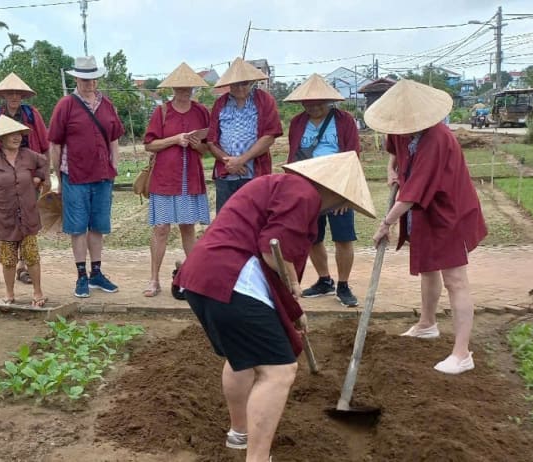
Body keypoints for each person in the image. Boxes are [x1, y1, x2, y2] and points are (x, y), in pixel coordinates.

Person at [175, 152, 376, 462]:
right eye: (345, 200)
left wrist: (293, 309)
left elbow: (276, 254)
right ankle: (258, 458)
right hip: (233, 278)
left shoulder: (285, 188)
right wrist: (293, 295)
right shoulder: (302, 194)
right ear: (334, 190)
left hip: (203, 277)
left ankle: (240, 434)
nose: (342, 208)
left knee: (241, 358)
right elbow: (274, 251)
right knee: (279, 370)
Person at [367, 79, 488, 375]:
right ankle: (427, 324)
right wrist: (392, 168)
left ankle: (462, 354)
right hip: (424, 212)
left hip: (450, 211)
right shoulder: (400, 127)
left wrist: (386, 223)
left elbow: (413, 192)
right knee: (428, 268)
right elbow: (394, 151)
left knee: (455, 279)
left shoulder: (437, 138)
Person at [48, 56, 125, 298]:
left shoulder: (107, 105)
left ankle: (97, 273)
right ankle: (81, 276)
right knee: (77, 227)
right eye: (84, 79)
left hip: (102, 177)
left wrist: (114, 166)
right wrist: (57, 177)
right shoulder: (66, 105)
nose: (89, 83)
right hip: (75, 175)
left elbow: (114, 139)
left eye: (92, 79)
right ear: (77, 79)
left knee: (98, 226)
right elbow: (55, 143)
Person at [284, 74, 363, 307]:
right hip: (307, 185)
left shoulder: (344, 120)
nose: (315, 107)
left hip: (338, 185)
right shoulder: (298, 123)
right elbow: (294, 154)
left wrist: (346, 193)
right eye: (309, 104)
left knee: (343, 237)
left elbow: (353, 155)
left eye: (319, 103)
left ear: (329, 102)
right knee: (312, 237)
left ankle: (343, 284)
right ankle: (324, 279)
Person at [141, 62, 212, 299]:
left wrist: (196, 144)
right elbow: (150, 144)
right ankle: (153, 279)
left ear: (193, 88)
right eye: (180, 87)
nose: (184, 91)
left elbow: (207, 149)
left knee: (187, 227)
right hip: (164, 177)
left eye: (188, 87)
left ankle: (192, 279)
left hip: (189, 177)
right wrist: (175, 139)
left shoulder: (201, 111)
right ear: (173, 88)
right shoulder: (162, 112)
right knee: (161, 228)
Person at [0, 73, 49, 291]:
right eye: (10, 93)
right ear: (4, 96)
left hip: (28, 179)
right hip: (4, 182)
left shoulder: (32, 115)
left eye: (18, 93)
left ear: (22, 95)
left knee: (26, 224)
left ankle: (22, 267)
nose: (14, 96)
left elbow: (44, 148)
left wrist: (41, 177)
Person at [0, 115, 50, 307]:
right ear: (1, 138)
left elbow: (44, 163)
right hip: (5, 215)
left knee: (31, 255)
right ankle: (9, 294)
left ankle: (38, 294)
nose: (16, 137)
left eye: (18, 134)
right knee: (8, 257)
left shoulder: (29, 155)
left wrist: (38, 179)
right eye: (11, 134)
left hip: (28, 214)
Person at [207, 58, 283, 213]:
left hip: (255, 173)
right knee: (226, 222)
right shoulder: (220, 103)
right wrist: (228, 162)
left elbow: (270, 135)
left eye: (245, 83)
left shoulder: (264, 100)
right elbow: (211, 140)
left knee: (255, 220)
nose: (240, 88)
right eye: (236, 84)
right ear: (229, 85)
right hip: (226, 174)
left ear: (252, 82)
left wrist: (241, 160)